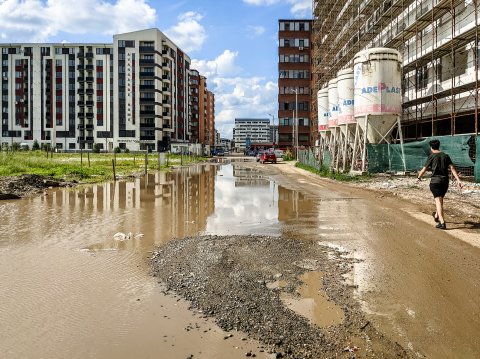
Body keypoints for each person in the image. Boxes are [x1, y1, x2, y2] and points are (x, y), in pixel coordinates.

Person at [417, 139, 463, 229]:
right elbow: (452, 168)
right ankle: (436, 216)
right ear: (439, 146)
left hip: (435, 182)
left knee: (437, 200)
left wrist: (419, 177)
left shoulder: (431, 156)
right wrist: (458, 180)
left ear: (431, 147)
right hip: (445, 182)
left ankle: (442, 222)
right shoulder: (445, 156)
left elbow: (424, 169)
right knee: (440, 199)